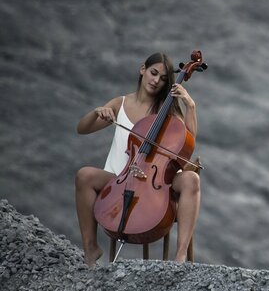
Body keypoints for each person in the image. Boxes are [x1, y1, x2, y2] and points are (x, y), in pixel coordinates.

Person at [75, 52, 201, 268]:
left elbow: (188, 141)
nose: (156, 81)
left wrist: (190, 106)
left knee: (191, 180)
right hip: (119, 179)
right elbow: (82, 129)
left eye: (162, 79)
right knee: (84, 175)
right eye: (153, 73)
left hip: (157, 183)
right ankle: (90, 249)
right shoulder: (120, 103)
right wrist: (97, 113)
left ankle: (180, 257)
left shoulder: (167, 112)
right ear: (142, 69)